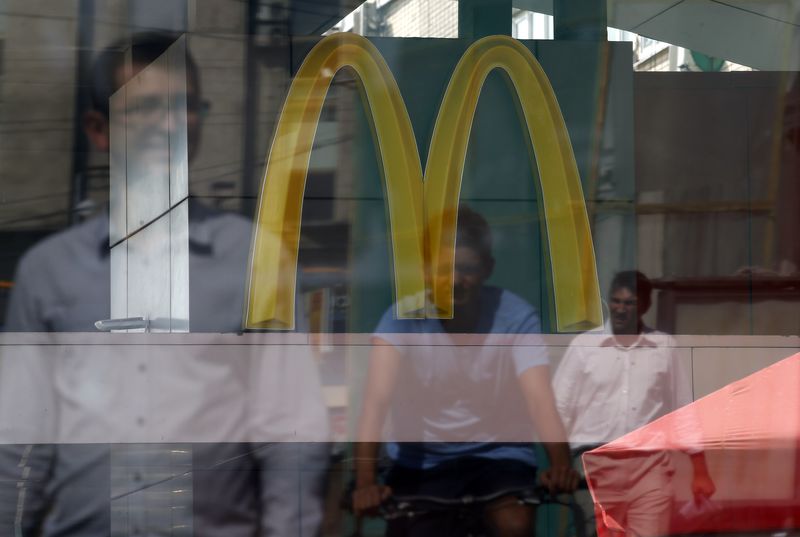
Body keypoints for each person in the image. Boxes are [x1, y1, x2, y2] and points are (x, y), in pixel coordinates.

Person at [0, 32, 329, 536]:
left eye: (184, 107)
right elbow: (21, 442)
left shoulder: (254, 260)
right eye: (144, 107)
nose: (169, 124)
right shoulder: (49, 271)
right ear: (99, 128)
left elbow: (289, 432)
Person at [351, 207, 578, 537]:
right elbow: (374, 404)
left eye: (467, 269)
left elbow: (540, 401)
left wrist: (560, 464)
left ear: (487, 269)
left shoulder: (516, 317)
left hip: (498, 457)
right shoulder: (400, 320)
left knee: (514, 524)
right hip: (422, 462)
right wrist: (365, 484)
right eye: (445, 269)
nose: (456, 280)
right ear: (427, 271)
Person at [553, 270, 716, 537]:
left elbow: (683, 409)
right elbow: (557, 410)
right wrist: (560, 465)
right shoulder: (584, 347)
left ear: (644, 306)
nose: (620, 309)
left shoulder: (663, 347)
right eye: (616, 301)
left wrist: (700, 470)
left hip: (649, 467)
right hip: (594, 467)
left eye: (629, 303)